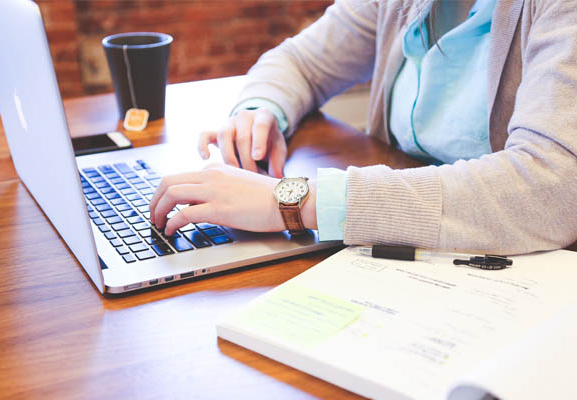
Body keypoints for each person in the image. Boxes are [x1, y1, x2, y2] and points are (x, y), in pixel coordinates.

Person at [150, 0, 577, 255]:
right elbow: (301, 61)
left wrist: (295, 201)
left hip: (520, 272)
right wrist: (260, 111)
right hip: (410, 255)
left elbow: (552, 188)